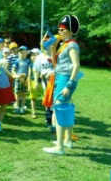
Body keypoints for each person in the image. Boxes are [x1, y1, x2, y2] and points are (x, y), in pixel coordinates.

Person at [43, 15, 80, 155]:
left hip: (65, 79)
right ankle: (68, 140)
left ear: (70, 31)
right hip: (60, 77)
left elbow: (76, 66)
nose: (59, 32)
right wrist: (53, 48)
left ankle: (59, 146)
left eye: (62, 29)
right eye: (59, 29)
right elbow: (56, 64)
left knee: (59, 110)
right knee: (65, 109)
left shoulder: (72, 45)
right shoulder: (64, 44)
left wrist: (68, 85)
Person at [12, 46, 31, 115]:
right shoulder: (17, 61)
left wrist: (27, 80)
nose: (22, 54)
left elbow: (29, 72)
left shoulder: (28, 61)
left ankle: (22, 106)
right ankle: (17, 106)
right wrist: (18, 77)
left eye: (23, 52)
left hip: (25, 80)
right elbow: (13, 70)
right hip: (18, 79)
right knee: (17, 93)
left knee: (23, 93)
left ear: (26, 53)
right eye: (20, 52)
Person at [28, 48, 42, 119]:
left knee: (45, 97)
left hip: (42, 82)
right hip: (33, 82)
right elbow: (29, 76)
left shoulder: (42, 63)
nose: (33, 57)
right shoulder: (31, 65)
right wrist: (29, 85)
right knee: (33, 98)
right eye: (32, 55)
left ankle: (48, 112)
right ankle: (33, 112)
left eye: (35, 55)